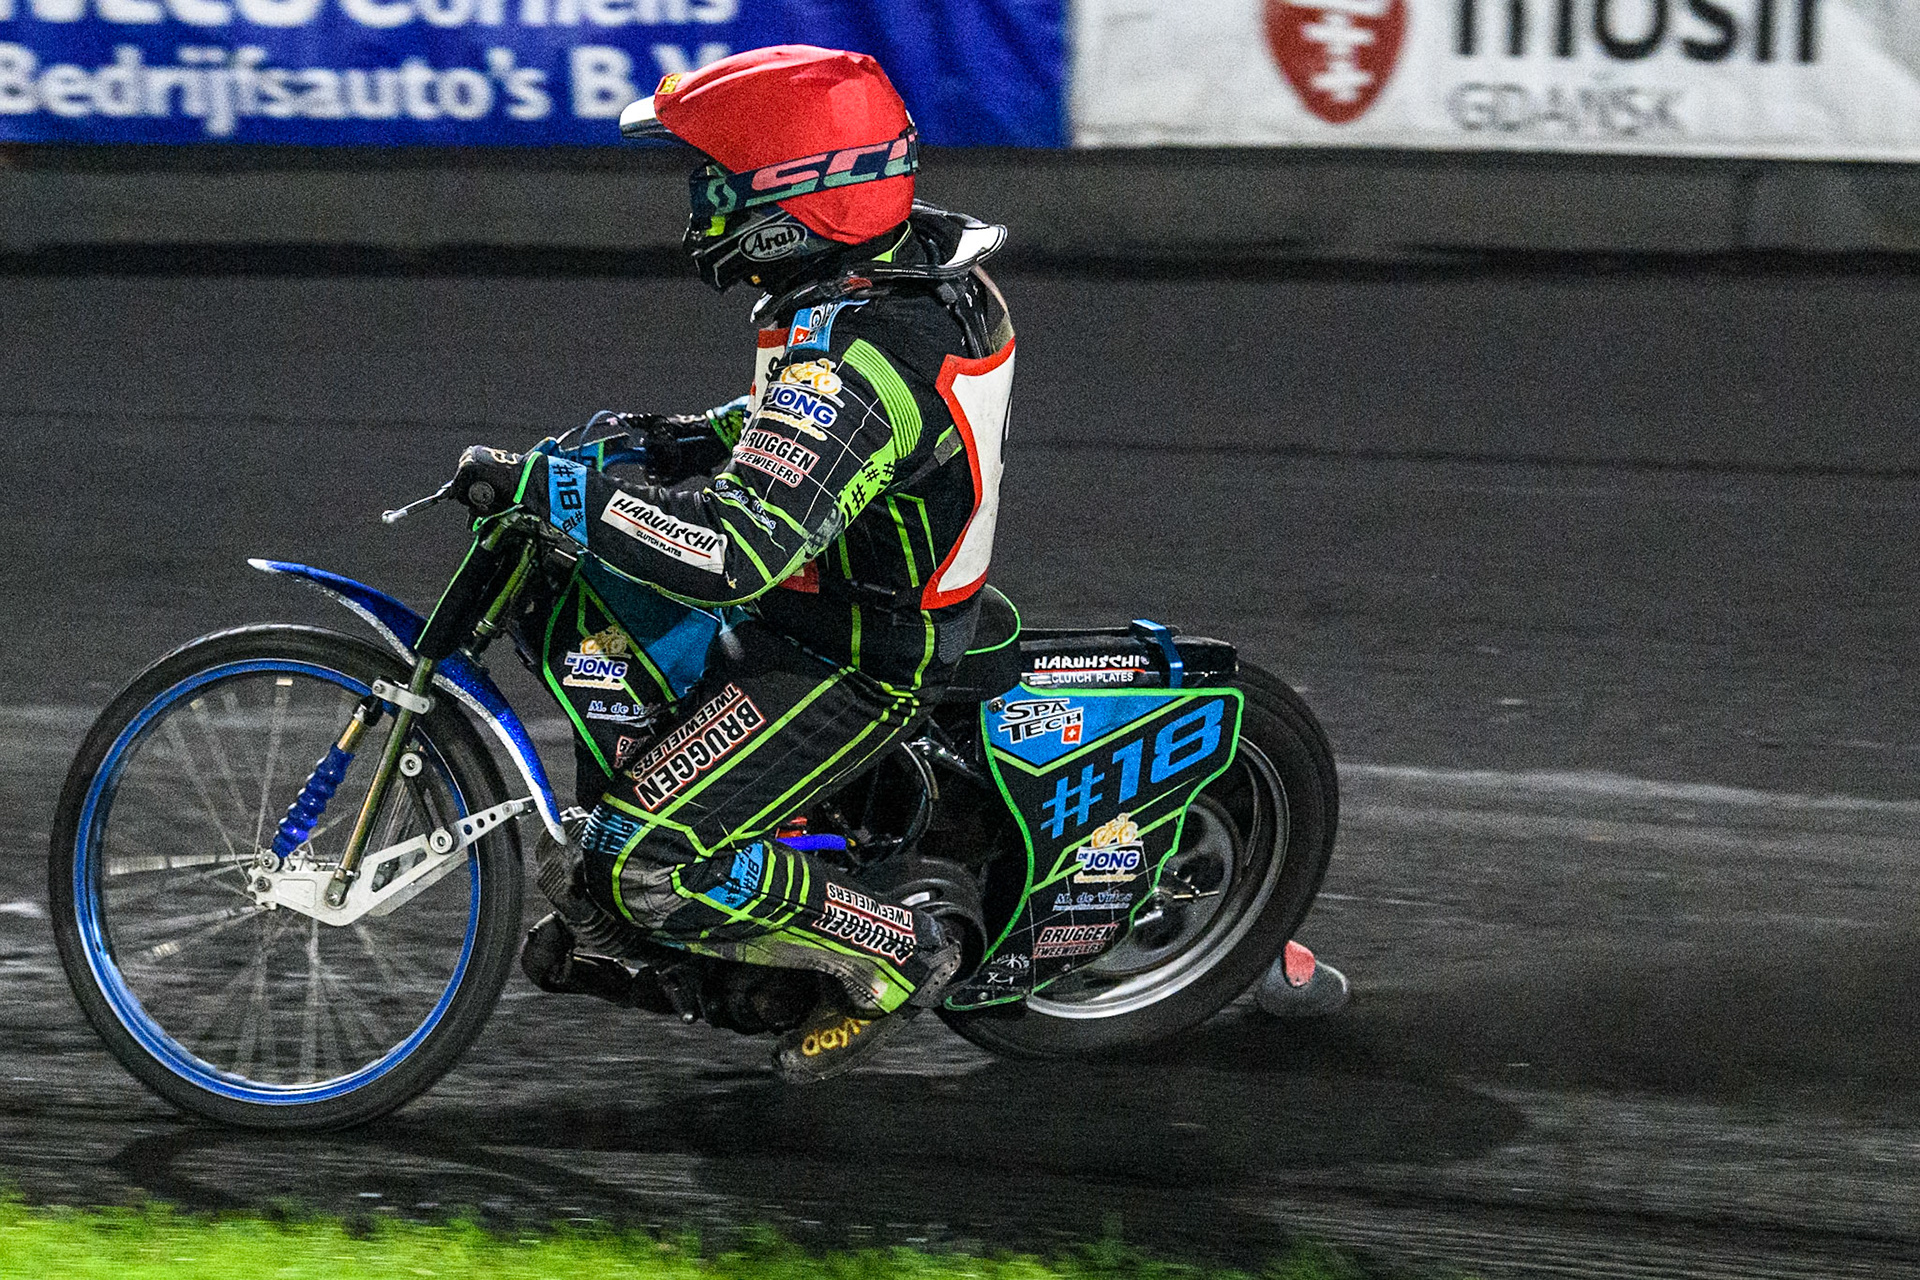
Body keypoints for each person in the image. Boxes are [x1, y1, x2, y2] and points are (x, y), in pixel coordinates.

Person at [449, 44, 1017, 1081]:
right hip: (839, 595)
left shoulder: (864, 353)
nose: (699, 206)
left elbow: (734, 548)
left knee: (640, 858)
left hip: (846, 658)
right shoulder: (884, 291)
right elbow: (791, 436)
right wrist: (662, 440)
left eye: (716, 183)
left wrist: (561, 487)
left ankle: (893, 952)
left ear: (796, 189)